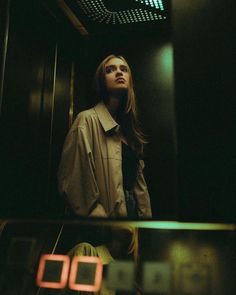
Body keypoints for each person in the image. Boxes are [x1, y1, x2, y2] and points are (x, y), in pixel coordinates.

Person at [58, 54, 152, 218]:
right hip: (106, 232)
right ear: (102, 80)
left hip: (133, 226)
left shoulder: (127, 131)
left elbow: (138, 188)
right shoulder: (86, 121)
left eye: (123, 69)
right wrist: (106, 225)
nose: (118, 73)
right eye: (110, 70)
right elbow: (74, 182)